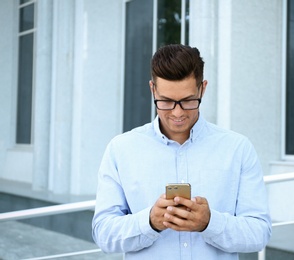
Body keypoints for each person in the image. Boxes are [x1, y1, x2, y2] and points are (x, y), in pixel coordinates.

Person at [92, 44, 272, 259]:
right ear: (153, 90)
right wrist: (149, 222)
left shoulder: (238, 149)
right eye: (166, 101)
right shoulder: (120, 149)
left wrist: (210, 223)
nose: (177, 113)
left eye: (188, 101)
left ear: (202, 89)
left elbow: (259, 233)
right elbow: (103, 234)